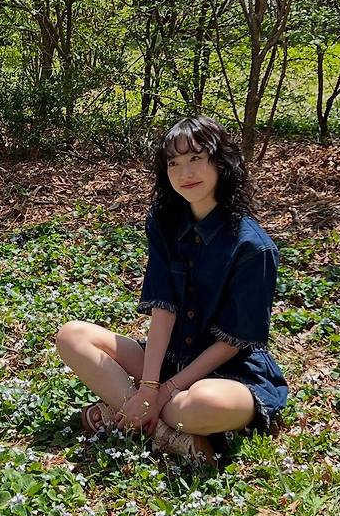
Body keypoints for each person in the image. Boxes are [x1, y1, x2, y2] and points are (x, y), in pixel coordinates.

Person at [56, 116, 288, 464]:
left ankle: (122, 412)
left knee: (197, 404)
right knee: (72, 336)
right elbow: (164, 310)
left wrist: (164, 391)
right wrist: (151, 387)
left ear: (221, 162)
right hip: (171, 357)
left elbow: (233, 342)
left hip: (231, 374)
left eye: (196, 158)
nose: (184, 173)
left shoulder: (254, 248)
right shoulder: (165, 222)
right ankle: (165, 432)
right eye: (173, 163)